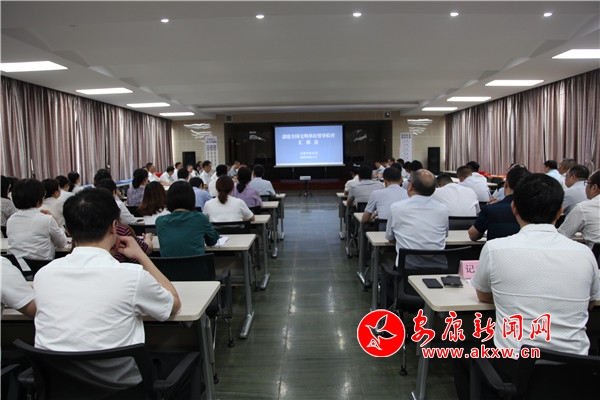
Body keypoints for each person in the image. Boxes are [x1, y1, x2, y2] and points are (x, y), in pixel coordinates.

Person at [455, 173, 599, 400]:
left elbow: (483, 295)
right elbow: (590, 303)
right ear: (560, 212)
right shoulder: (585, 254)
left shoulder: (495, 249)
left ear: (514, 208)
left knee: (462, 350)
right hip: (576, 368)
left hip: (514, 364)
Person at [33, 188, 180, 387]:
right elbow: (174, 304)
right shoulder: (131, 276)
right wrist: (141, 255)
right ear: (114, 227)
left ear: (68, 230)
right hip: (121, 387)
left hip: (58, 386)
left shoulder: (43, 276)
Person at [385, 169, 449, 266]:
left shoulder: (396, 208)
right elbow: (444, 235)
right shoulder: (443, 209)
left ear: (410, 186)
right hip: (438, 267)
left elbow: (390, 238)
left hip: (407, 267)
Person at [7, 179, 68, 261]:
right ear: (39, 198)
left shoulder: (11, 220)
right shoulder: (47, 219)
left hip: (17, 265)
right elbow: (62, 243)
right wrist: (56, 222)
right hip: (43, 265)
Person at [155, 181, 219, 257]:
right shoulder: (200, 218)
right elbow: (212, 241)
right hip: (197, 264)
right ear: (192, 199)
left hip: (168, 265)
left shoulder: (160, 222)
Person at [468, 165, 530, 241]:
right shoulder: (535, 210)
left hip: (496, 248)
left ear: (506, 184)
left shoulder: (491, 209)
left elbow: (473, 235)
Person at [558, 169, 600, 248]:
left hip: (595, 254)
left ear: (594, 188)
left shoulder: (584, 207)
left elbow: (563, 235)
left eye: (587, 183)